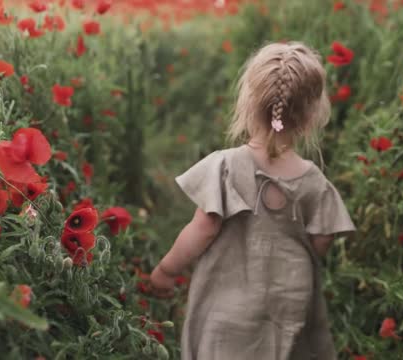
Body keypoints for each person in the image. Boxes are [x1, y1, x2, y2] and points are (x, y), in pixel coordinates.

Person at [150, 41, 356, 360]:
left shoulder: (226, 167)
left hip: (228, 303)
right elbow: (322, 239)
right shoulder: (314, 179)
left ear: (247, 102)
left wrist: (166, 269)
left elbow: (203, 227)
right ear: (313, 114)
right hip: (290, 302)